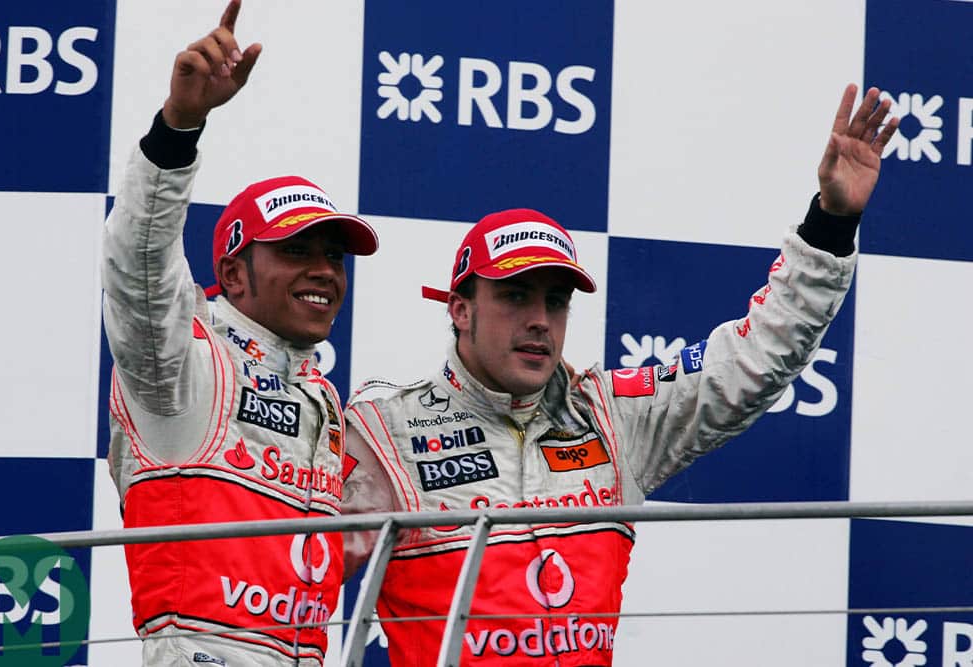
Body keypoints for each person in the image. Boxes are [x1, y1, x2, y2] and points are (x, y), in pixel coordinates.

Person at [341, 84, 899, 665]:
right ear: (461, 309)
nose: (539, 320)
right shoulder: (387, 432)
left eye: (556, 301)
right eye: (515, 296)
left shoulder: (609, 417)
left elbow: (752, 360)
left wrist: (832, 223)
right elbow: (295, 575)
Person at [102, 2, 378, 665]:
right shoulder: (184, 364)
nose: (324, 271)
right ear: (232, 272)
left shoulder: (322, 397)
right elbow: (138, 268)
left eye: (334, 256)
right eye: (296, 251)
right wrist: (178, 129)